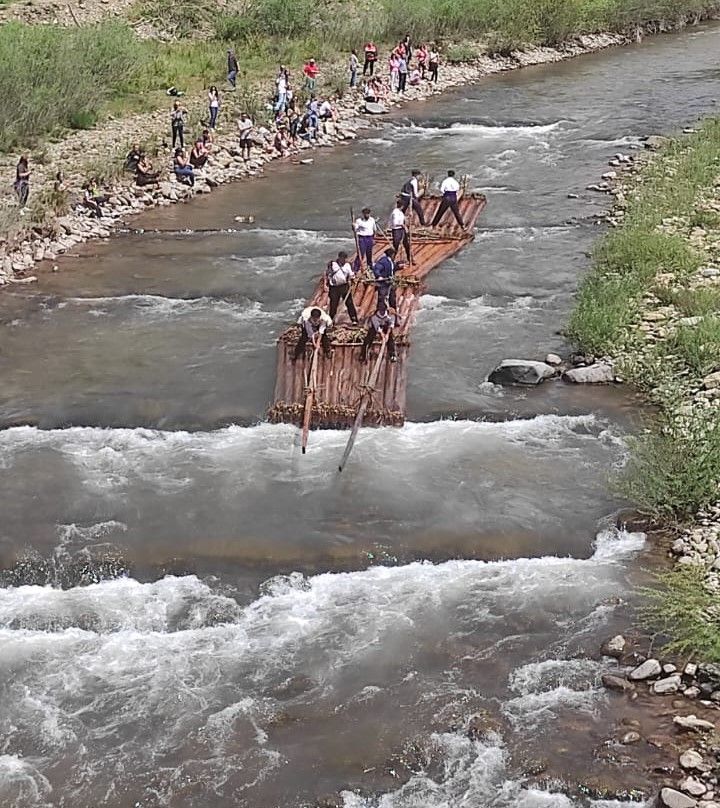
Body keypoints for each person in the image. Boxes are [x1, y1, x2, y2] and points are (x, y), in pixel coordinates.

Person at [326, 250, 359, 323]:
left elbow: (351, 274)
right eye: (342, 258)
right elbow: (328, 274)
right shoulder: (332, 264)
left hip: (344, 286)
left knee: (349, 303)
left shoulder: (347, 265)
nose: (343, 260)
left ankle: (354, 319)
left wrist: (353, 279)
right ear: (339, 258)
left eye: (345, 258)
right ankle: (331, 320)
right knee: (333, 304)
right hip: (334, 288)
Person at [354, 207, 379, 271]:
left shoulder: (372, 220)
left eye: (368, 214)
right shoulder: (359, 221)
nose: (367, 215)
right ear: (363, 214)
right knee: (361, 253)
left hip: (370, 238)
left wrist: (374, 238)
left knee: (369, 253)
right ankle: (356, 267)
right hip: (362, 238)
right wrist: (353, 227)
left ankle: (370, 266)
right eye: (365, 214)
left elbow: (375, 230)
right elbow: (355, 229)